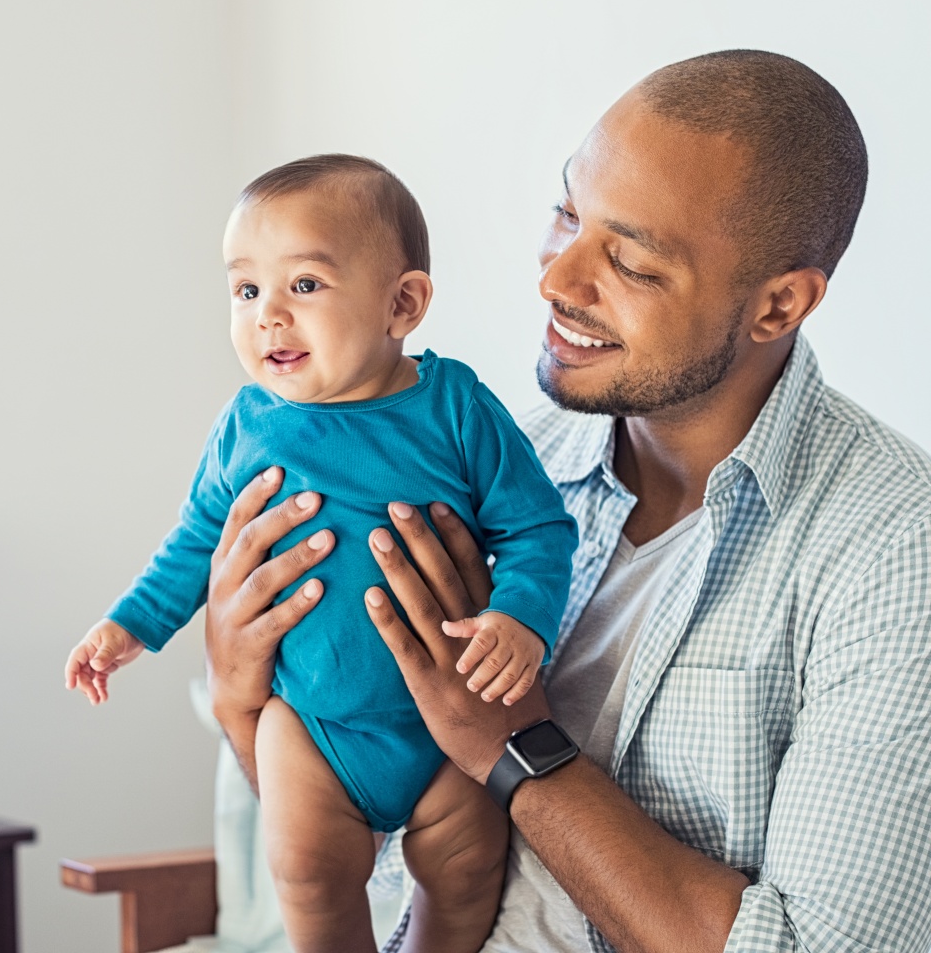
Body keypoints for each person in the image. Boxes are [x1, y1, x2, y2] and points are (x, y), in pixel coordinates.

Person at [201, 49, 931, 953]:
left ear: (778, 305)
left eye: (627, 259)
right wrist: (243, 701)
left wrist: (516, 747)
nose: (556, 279)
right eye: (567, 213)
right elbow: (369, 835)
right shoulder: (497, 464)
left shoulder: (895, 551)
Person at [64, 154, 578, 953]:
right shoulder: (247, 424)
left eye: (303, 285)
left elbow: (538, 528)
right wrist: (128, 626)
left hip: (452, 729)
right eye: (246, 290)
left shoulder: (455, 406)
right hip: (311, 730)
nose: (268, 315)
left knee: (467, 869)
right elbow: (197, 541)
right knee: (305, 873)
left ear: (402, 304)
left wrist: (520, 618)